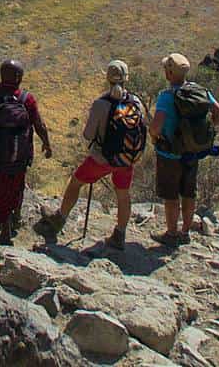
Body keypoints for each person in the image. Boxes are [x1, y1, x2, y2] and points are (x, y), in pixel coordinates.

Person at [38, 60, 147, 250]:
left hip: (102, 159)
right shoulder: (135, 101)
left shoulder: (100, 104)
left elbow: (88, 134)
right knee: (123, 195)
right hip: (126, 159)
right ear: (127, 78)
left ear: (107, 78)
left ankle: (59, 220)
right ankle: (120, 234)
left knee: (76, 182)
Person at [149, 52, 219, 245]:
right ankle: (185, 232)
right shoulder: (201, 91)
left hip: (169, 153)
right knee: (189, 193)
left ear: (169, 73)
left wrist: (154, 138)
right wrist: (205, 133)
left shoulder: (166, 97)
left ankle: (171, 233)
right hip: (192, 152)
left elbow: (156, 127)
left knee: (171, 195)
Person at [0, 59, 52, 245]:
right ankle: (16, 218)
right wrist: (47, 144)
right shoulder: (27, 99)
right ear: (19, 77)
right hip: (20, 155)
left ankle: (4, 231)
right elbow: (40, 125)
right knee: (16, 188)